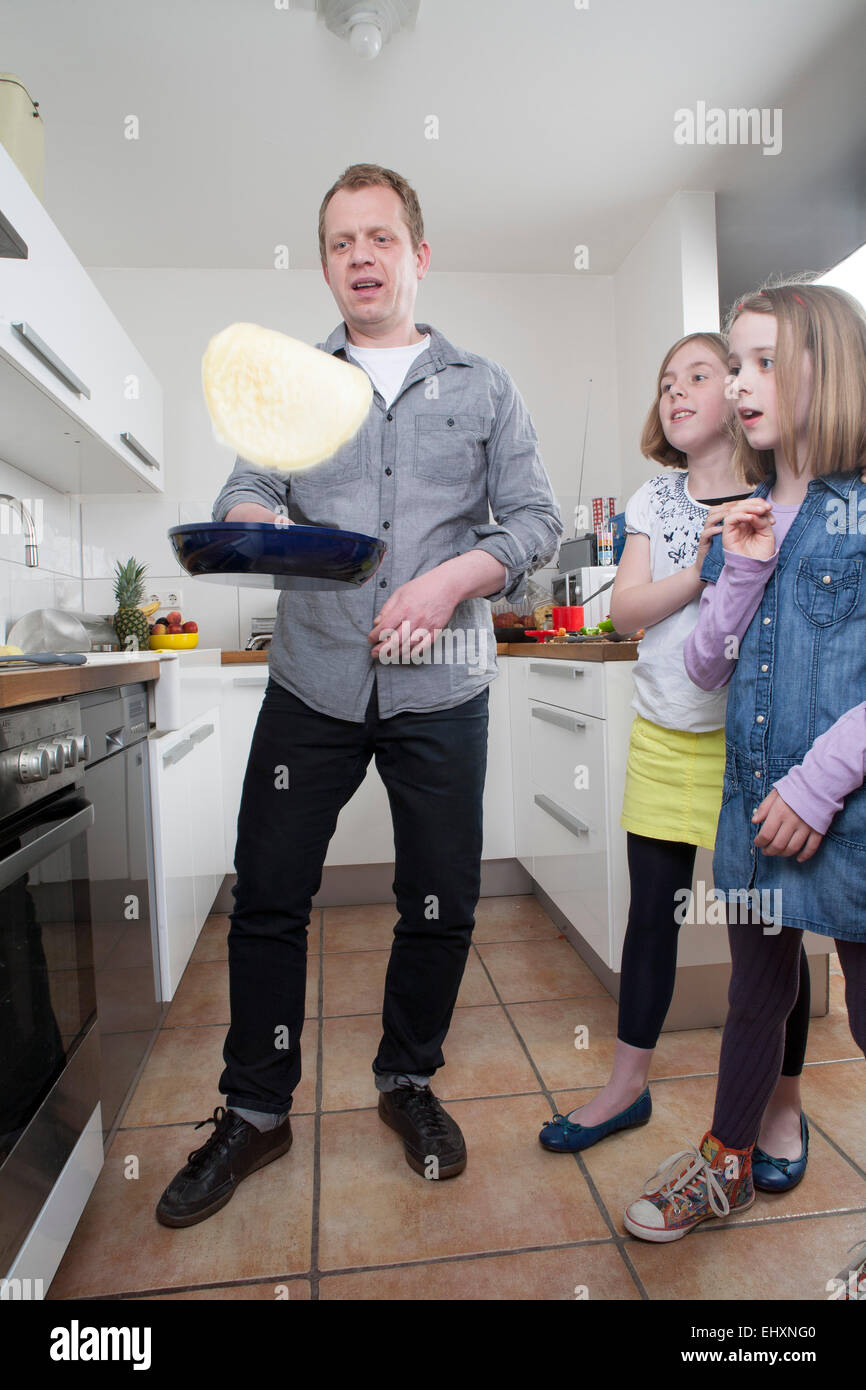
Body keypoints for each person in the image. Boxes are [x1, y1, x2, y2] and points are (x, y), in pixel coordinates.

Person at [155, 163, 562, 1226]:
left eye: (380, 238)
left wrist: (450, 577)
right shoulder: (295, 381)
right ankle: (254, 1109)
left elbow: (532, 522)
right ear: (326, 264)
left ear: (418, 256)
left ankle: (406, 1079)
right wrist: (250, 508)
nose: (362, 258)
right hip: (314, 682)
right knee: (271, 896)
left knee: (439, 900)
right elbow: (249, 486)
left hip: (442, 691)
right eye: (341, 242)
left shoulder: (484, 386)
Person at [623, 281, 866, 1249]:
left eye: (762, 361)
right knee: (752, 998)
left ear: (829, 371)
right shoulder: (748, 511)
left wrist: (815, 784)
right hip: (750, 805)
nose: (737, 381)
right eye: (735, 363)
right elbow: (701, 662)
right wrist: (744, 569)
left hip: (841, 812)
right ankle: (723, 1162)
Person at [538, 332, 810, 1192]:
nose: (679, 391)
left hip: (753, 749)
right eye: (666, 382)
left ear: (739, 393)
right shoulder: (655, 500)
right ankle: (626, 1087)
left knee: (770, 934)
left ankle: (781, 1105)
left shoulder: (782, 491)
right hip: (663, 732)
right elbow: (623, 613)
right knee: (650, 914)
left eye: (700, 374)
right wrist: (704, 566)